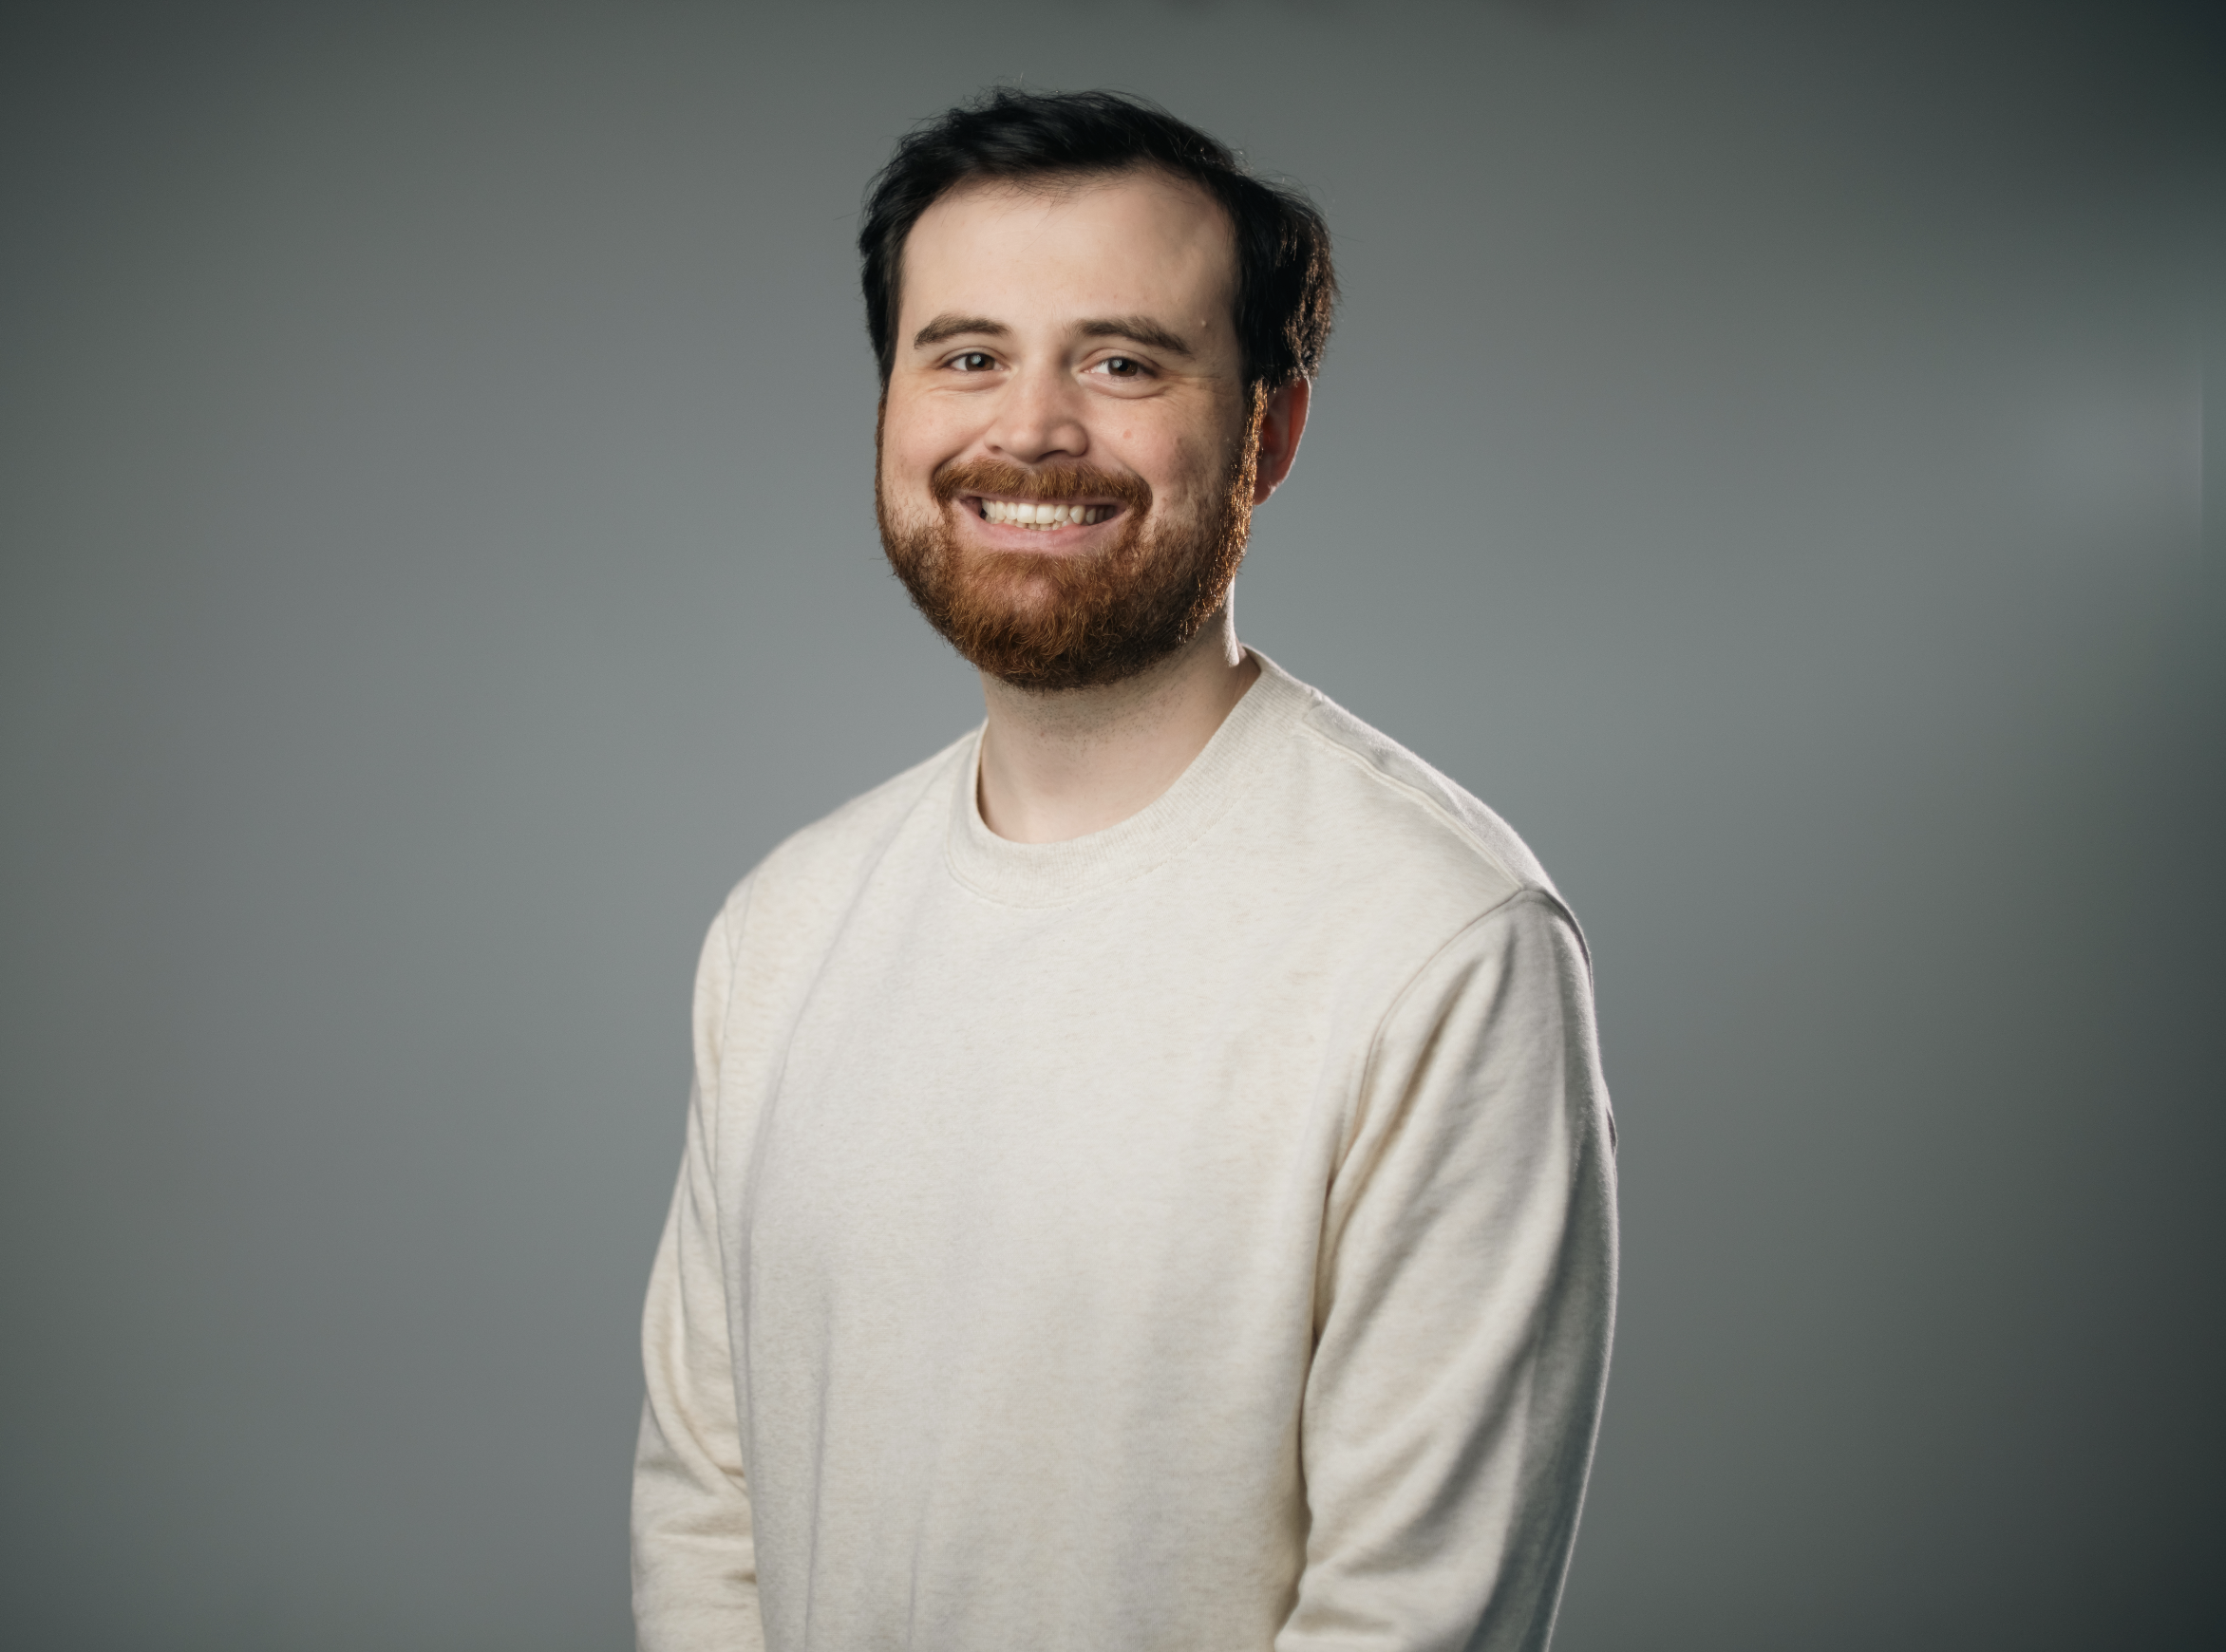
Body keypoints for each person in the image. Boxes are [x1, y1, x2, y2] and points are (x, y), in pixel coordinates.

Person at [632, 88, 1617, 1652]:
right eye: (967, 356)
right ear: (889, 408)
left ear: (1270, 433)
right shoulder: (784, 928)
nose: (1029, 430)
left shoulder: (1440, 942)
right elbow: (708, 1509)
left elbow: (1411, 1615)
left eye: (1122, 362)